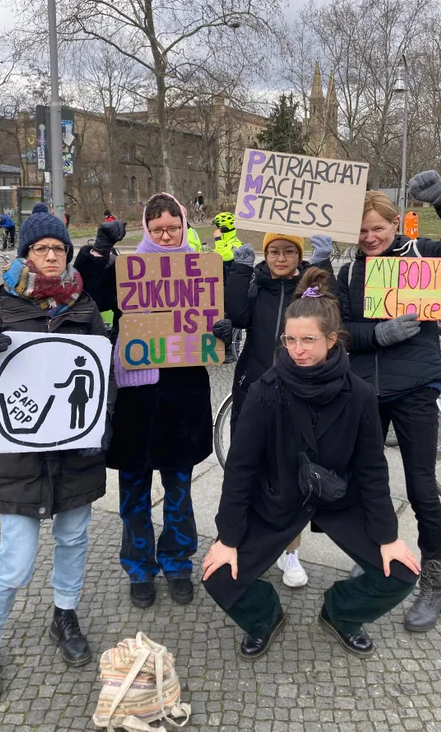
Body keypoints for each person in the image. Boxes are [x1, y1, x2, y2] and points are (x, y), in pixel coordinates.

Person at [203, 267, 420, 659]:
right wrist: (227, 538)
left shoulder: (359, 395)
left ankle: (340, 614)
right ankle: (265, 616)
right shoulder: (264, 391)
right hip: (279, 498)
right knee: (218, 575)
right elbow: (240, 469)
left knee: (401, 574)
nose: (297, 349)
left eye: (308, 340)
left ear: (331, 340)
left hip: (340, 499)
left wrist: (388, 537)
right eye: (290, 340)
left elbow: (373, 469)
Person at [0, 203, 109, 704]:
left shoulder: (84, 306)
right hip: (23, 457)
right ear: (26, 254)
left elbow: (98, 379)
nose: (51, 256)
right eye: (41, 248)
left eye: (58, 249)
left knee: (73, 541)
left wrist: (101, 416)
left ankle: (64, 616)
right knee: (15, 561)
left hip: (75, 453)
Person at [338, 172, 441, 632]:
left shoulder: (420, 255)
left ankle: (433, 582)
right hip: (365, 390)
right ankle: (376, 555)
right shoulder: (347, 268)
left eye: (377, 229)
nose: (369, 238)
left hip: (415, 388)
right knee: (366, 483)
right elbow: (341, 331)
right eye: (361, 231)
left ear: (394, 224)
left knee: (422, 488)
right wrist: (376, 334)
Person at [74, 193, 212, 609]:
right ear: (146, 230)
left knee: (179, 489)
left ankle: (177, 562)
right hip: (136, 396)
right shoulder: (127, 268)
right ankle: (139, 566)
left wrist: (221, 326)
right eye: (158, 230)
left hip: (182, 397)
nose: (167, 236)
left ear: (184, 224)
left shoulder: (200, 267)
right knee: (133, 490)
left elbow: (223, 317)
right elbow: (91, 296)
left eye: (173, 227)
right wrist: (97, 252)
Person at [212, 230, 334, 587]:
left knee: (290, 476)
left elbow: (332, 311)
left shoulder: (310, 288)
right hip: (253, 388)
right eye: (274, 252)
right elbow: (236, 313)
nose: (281, 258)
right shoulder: (256, 285)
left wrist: (324, 261)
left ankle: (289, 551)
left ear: (299, 255)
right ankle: (246, 543)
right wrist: (239, 270)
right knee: (246, 469)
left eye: (289, 252)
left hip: (299, 393)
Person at [212, 212, 243, 364]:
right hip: (221, 285)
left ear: (223, 228)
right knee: (222, 318)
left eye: (217, 227)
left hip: (232, 287)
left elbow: (224, 257)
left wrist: (217, 240)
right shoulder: (225, 242)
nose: (215, 230)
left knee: (232, 318)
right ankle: (223, 349)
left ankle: (233, 351)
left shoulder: (235, 243)